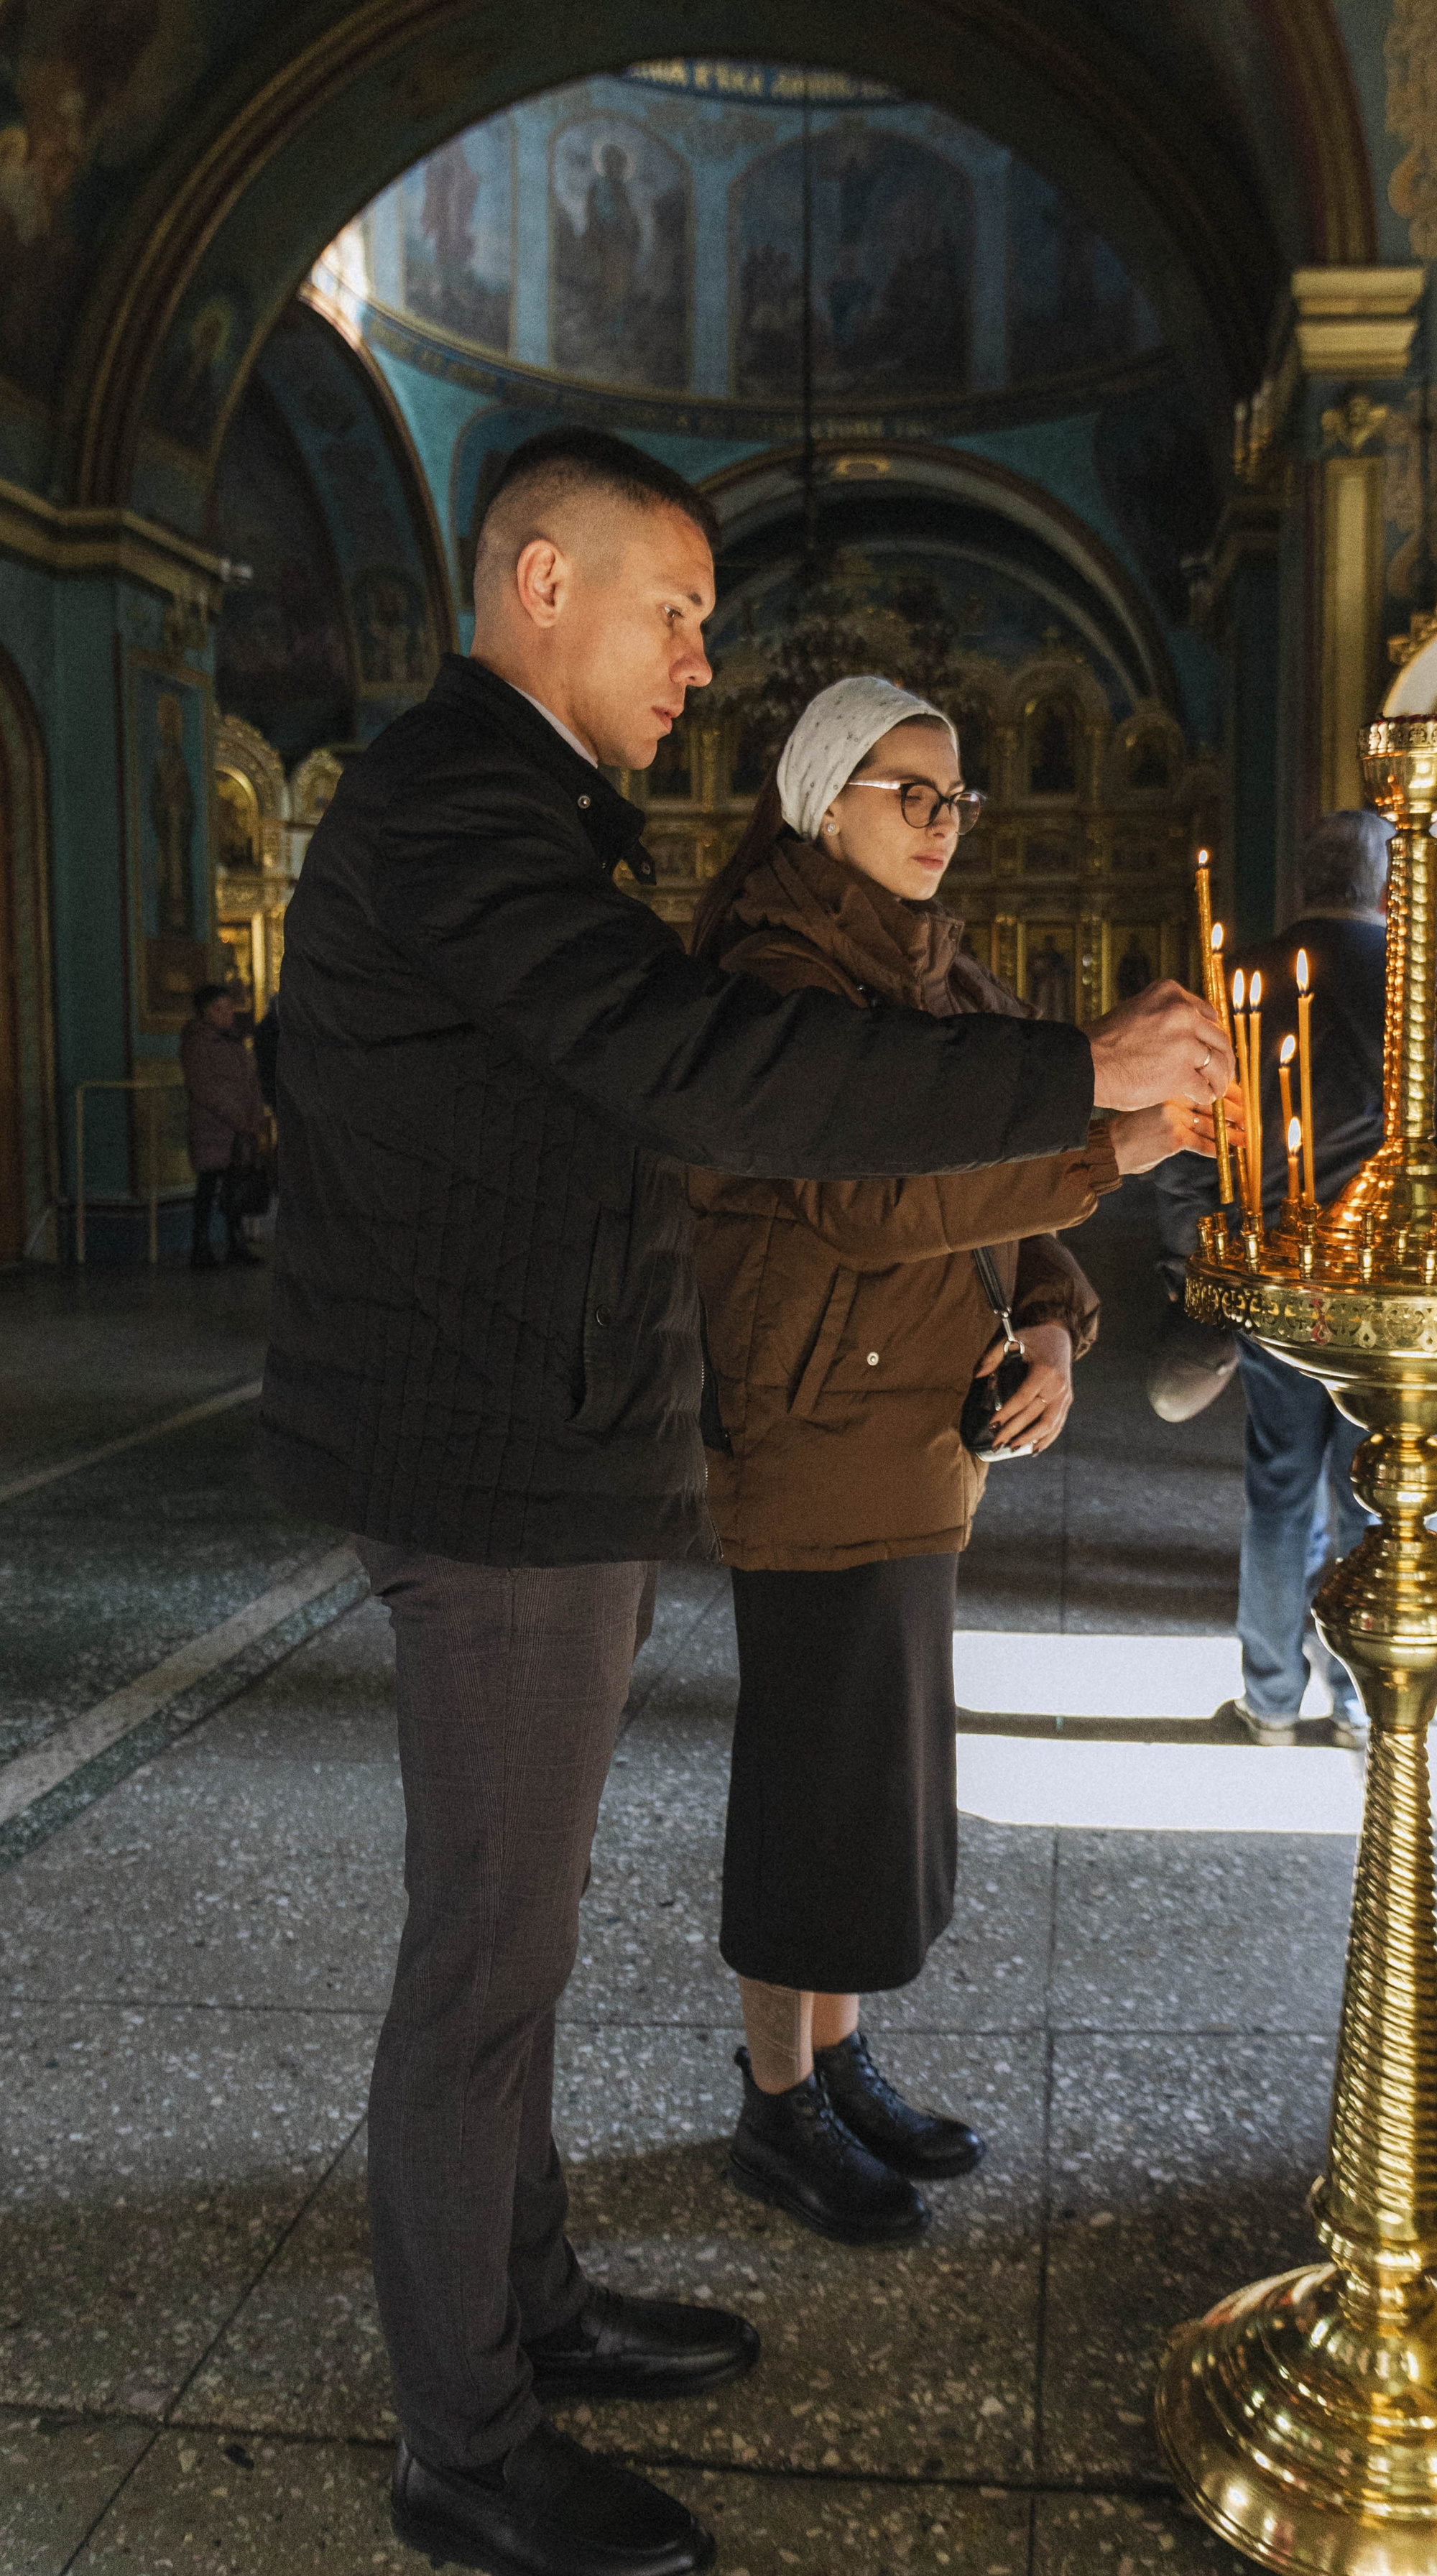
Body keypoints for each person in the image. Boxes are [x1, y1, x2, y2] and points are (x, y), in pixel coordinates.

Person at [256, 425, 1233, 2576]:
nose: (703, 655)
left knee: (516, 1944)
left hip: (547, 1441)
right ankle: (471, 2452)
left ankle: (530, 2308)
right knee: (480, 1973)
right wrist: (1076, 1077)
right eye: (674, 610)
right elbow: (718, 1081)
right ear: (538, 589)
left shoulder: (511, 817)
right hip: (496, 1461)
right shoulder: (454, 817)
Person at [687, 677, 1220, 2246]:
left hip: (919, 1430)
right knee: (812, 1782)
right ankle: (771, 2108)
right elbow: (869, 1198)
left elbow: (1002, 1193)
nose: (936, 822)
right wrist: (1118, 1137)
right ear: (820, 798)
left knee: (877, 1785)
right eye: (904, 790)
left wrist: (1054, 1323)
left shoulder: (938, 967)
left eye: (953, 797)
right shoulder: (774, 973)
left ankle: (839, 2066)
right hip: (810, 1433)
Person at [1160, 809, 1437, 1742]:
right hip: (1405, 1297)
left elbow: (1186, 1152)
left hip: (1280, 1284)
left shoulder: (1241, 982)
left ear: (1302, 887)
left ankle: (1273, 1696)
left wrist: (1204, 1273)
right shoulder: (1435, 987)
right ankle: (1373, 1699)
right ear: (1390, 892)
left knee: (1283, 1484)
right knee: (1402, 1486)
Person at [180, 982, 263, 1270]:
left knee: (234, 1185)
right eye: (219, 1009)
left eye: (229, 1008)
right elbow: (205, 1087)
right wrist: (238, 1117)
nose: (227, 1015)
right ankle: (200, 1246)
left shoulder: (234, 1041)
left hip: (238, 1130)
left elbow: (249, 1081)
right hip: (212, 1128)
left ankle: (235, 1243)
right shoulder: (197, 1042)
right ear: (204, 1012)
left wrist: (254, 1116)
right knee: (208, 1185)